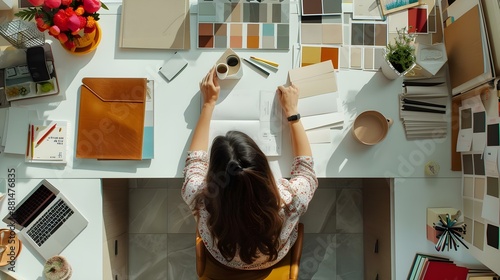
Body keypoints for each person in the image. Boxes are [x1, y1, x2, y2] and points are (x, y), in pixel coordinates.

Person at [182, 67, 318, 272]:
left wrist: (208, 104)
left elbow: (195, 162)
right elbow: (306, 170)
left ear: (214, 176)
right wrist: (292, 113)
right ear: (262, 168)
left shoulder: (200, 194)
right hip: (272, 256)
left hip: (223, 257)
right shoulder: (289, 198)